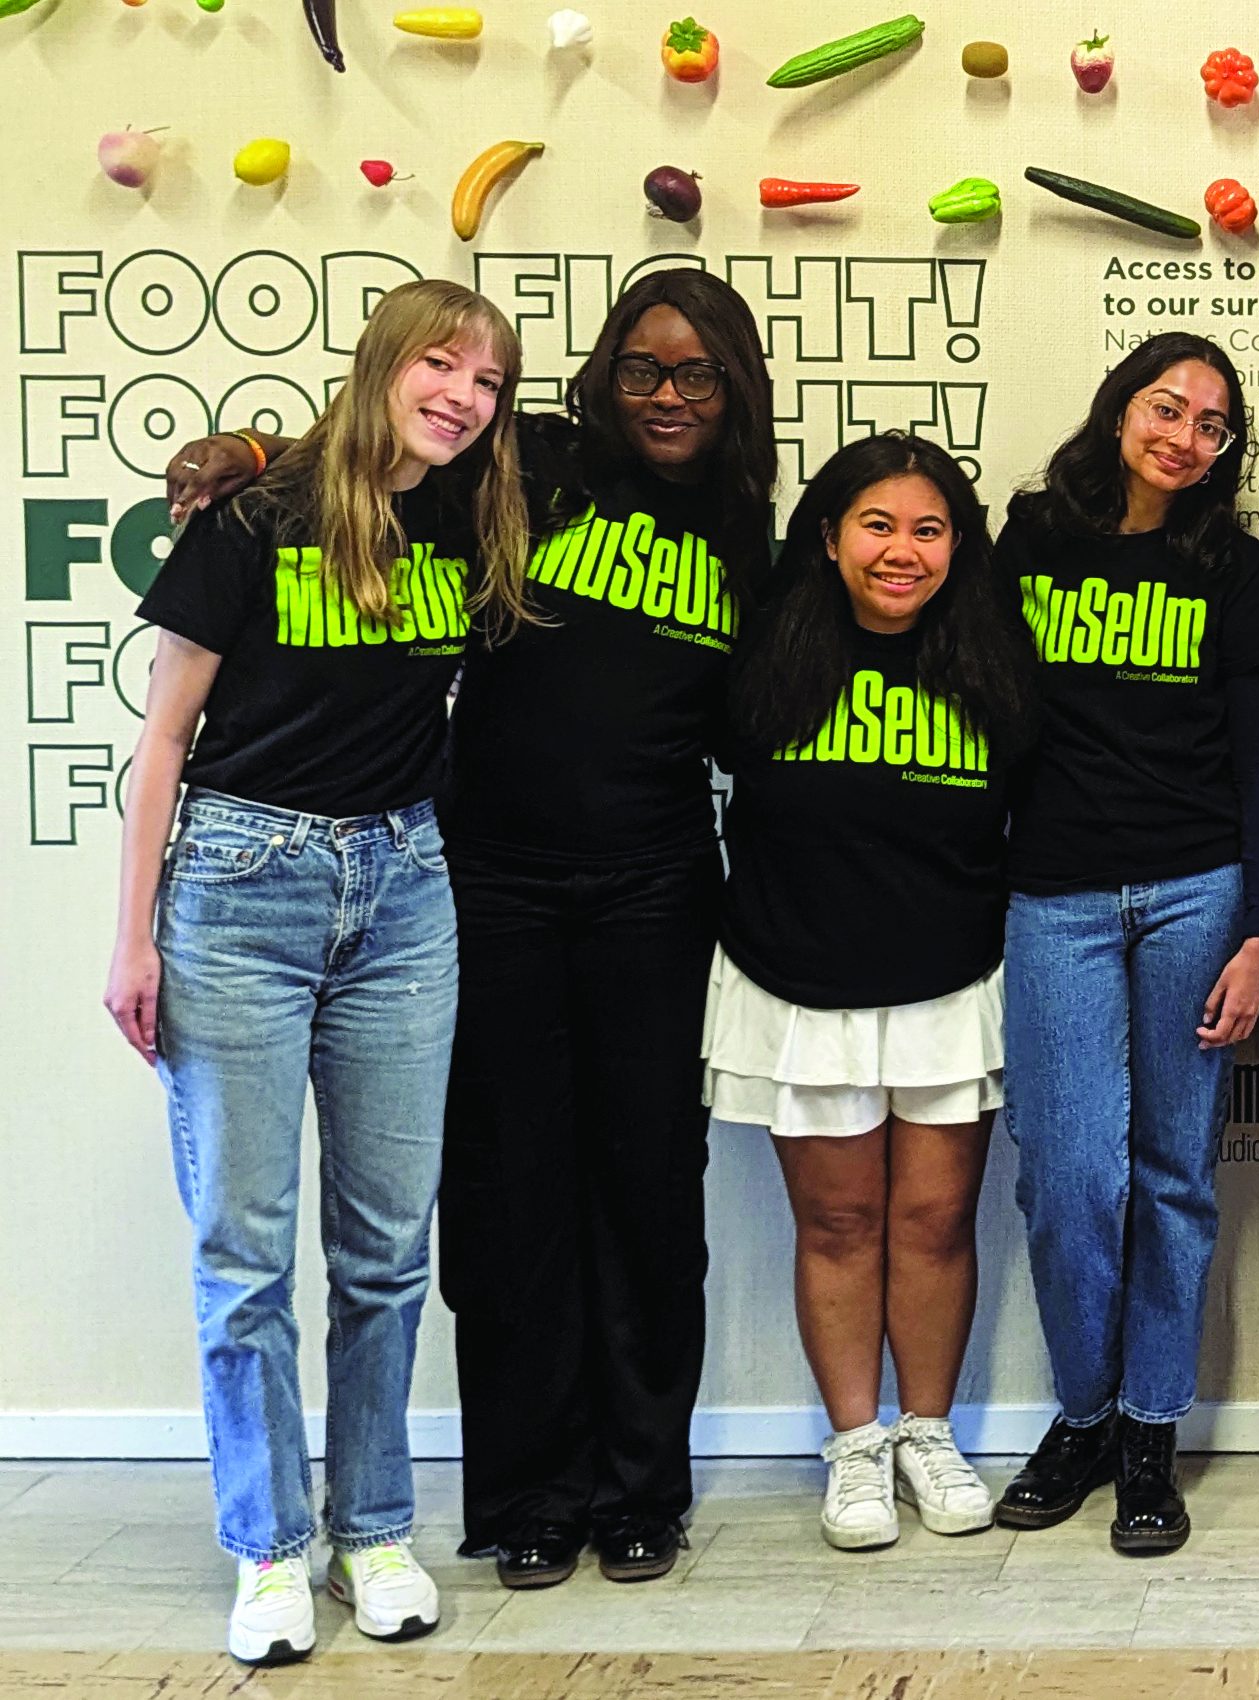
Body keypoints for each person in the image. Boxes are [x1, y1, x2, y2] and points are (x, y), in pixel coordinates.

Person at [165, 269, 781, 1591]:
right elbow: (383, 453)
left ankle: (639, 1490)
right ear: (603, 376)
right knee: (506, 1199)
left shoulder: (745, 531)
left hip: (657, 889)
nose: (669, 397)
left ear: (736, 390)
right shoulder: (528, 460)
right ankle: (526, 1495)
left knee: (645, 1192)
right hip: (480, 878)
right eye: (643, 370)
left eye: (698, 375)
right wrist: (252, 449)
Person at [104, 279, 532, 1666]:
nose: (462, 396)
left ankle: (374, 1529)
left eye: (487, 380)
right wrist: (133, 937)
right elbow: (163, 739)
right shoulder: (257, 518)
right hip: (238, 887)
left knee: (387, 1253)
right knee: (243, 1254)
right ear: (383, 363)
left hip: (404, 891)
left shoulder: (471, 518)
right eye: (441, 365)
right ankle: (269, 1549)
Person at [707, 433, 1039, 1551]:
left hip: (949, 977)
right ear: (829, 535)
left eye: (929, 528)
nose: (903, 551)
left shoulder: (995, 653)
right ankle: (855, 1444)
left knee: (936, 1220)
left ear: (960, 544)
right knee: (840, 1220)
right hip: (796, 977)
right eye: (879, 525)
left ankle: (929, 1431)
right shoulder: (763, 643)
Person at [991, 334, 1259, 1555]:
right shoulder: (1031, 536)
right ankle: (1084, 1411)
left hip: (1194, 894)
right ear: (1121, 407)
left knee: (1171, 1173)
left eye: (1211, 424)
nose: (1184, 433)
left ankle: (1151, 1431)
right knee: (1071, 1179)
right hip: (1052, 895)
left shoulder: (1229, 564)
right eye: (1168, 406)